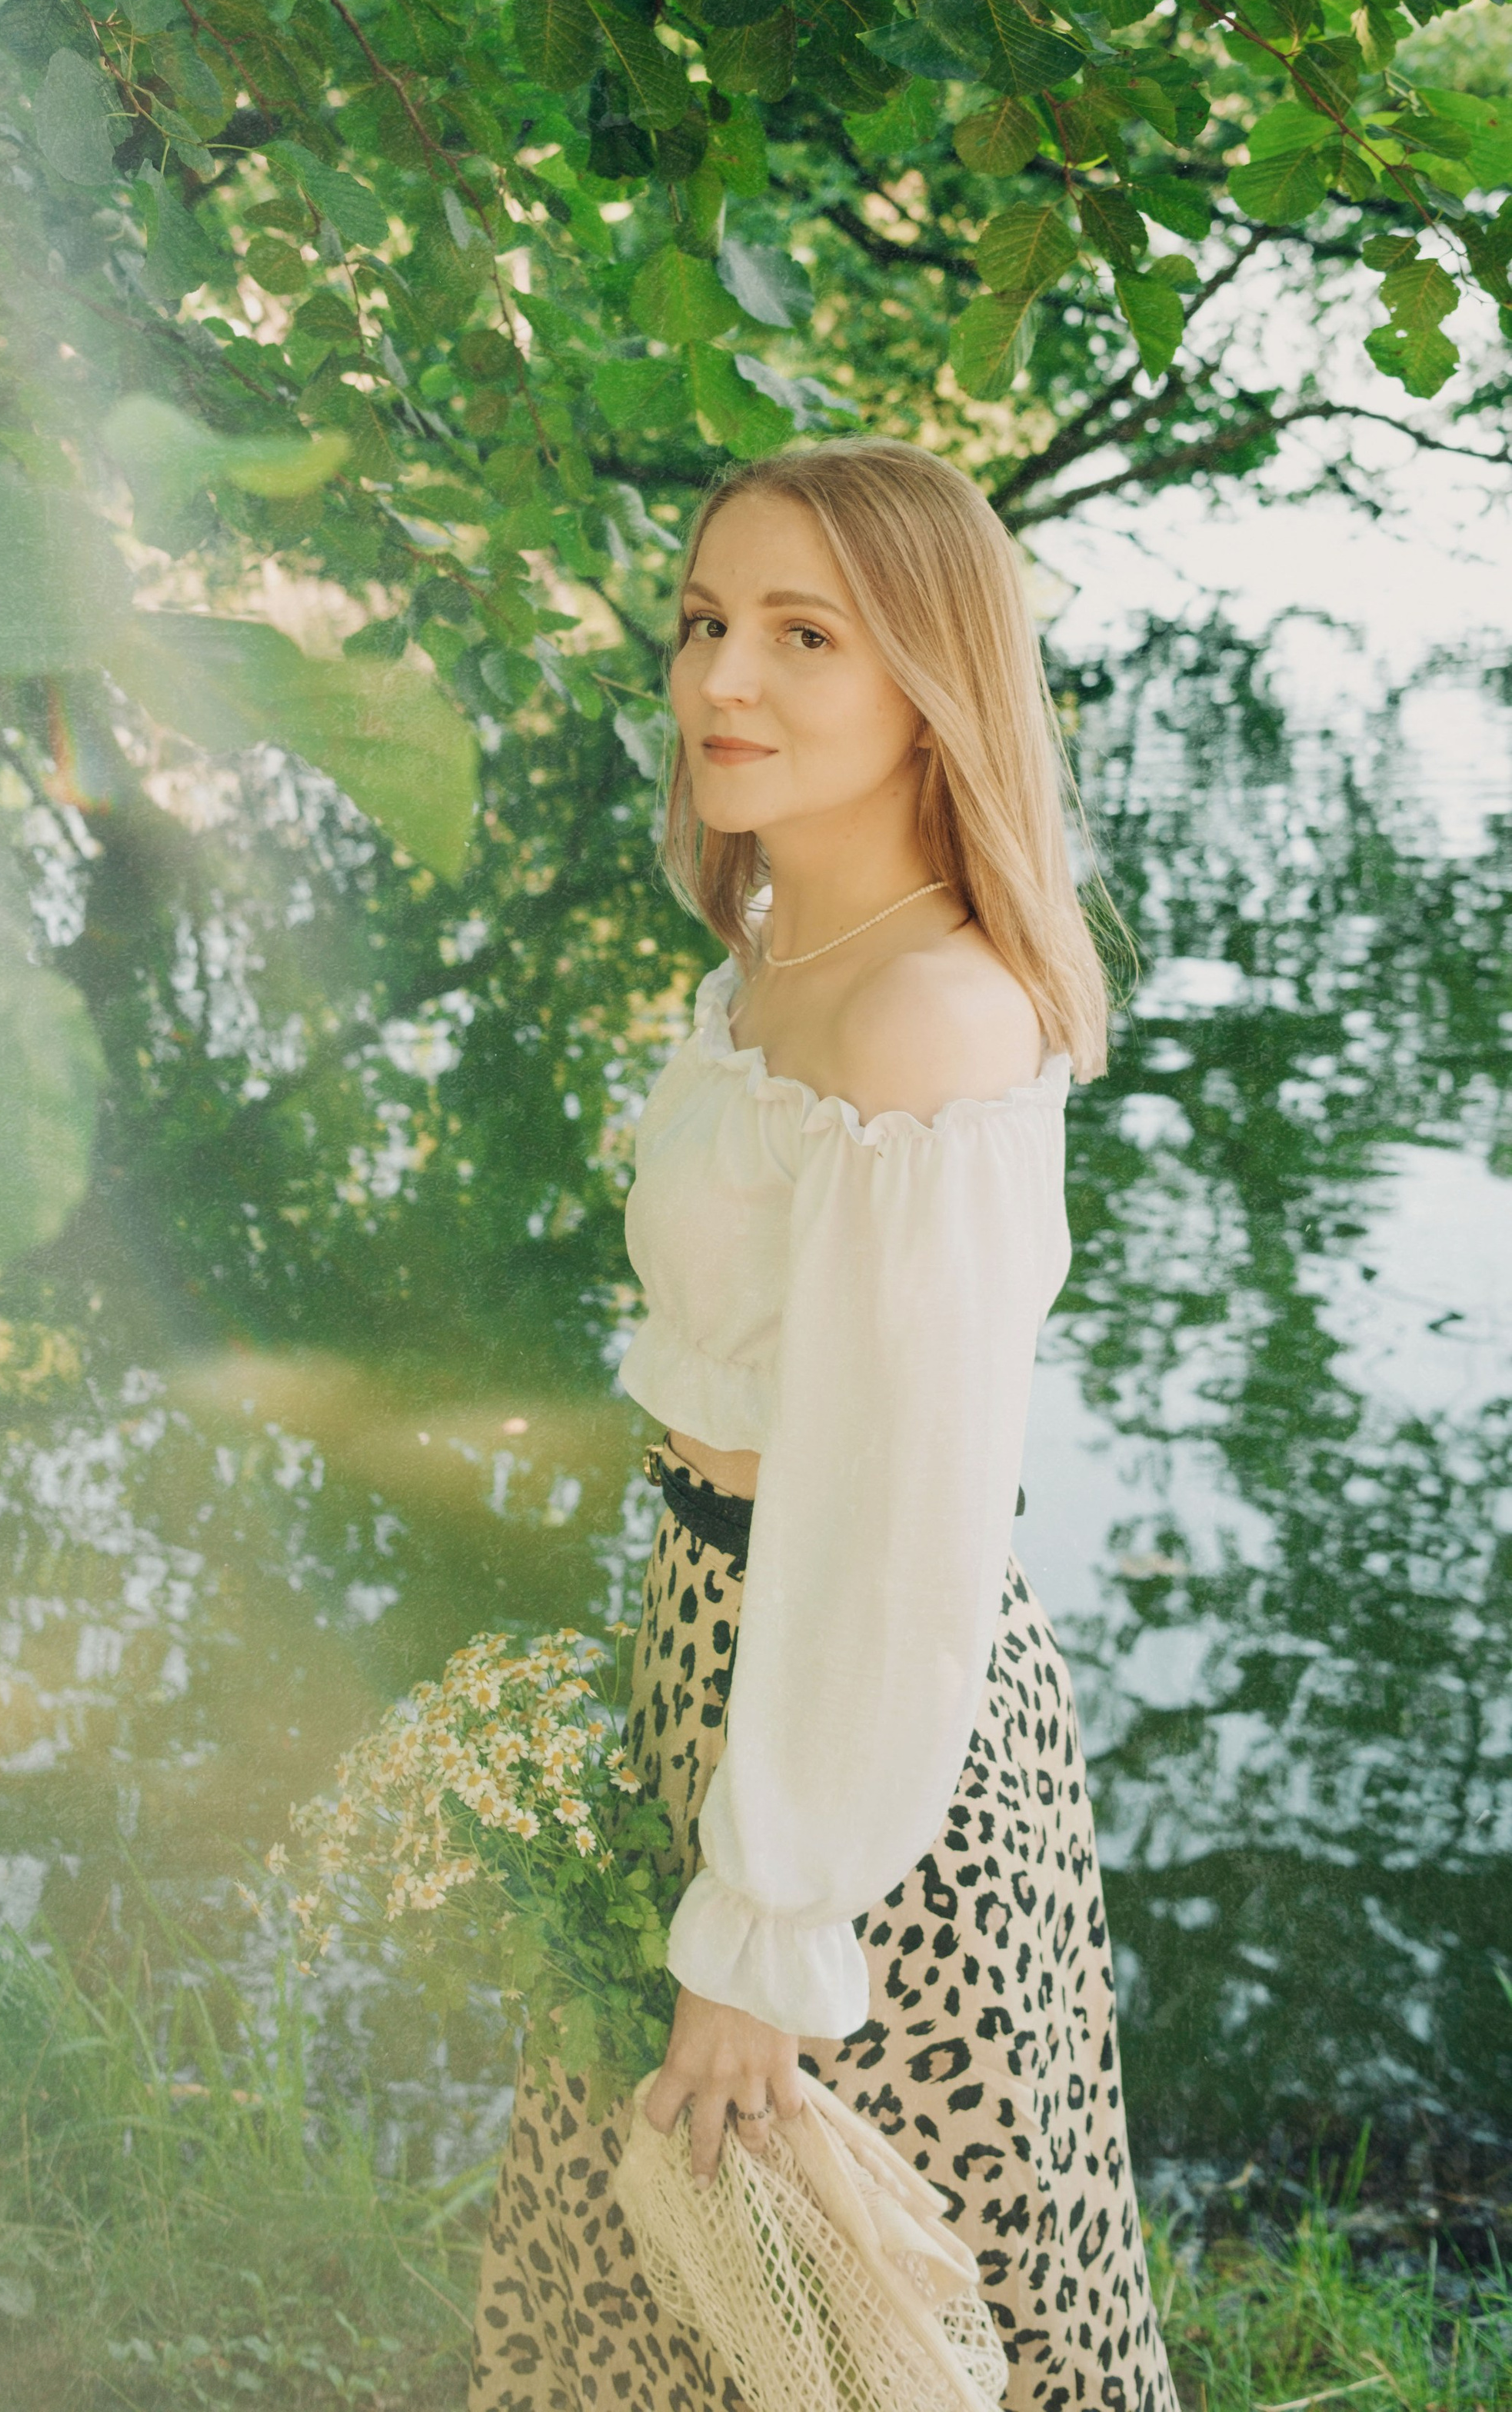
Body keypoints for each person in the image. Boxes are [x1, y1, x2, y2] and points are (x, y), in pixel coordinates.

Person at [469, 442, 1179, 2412]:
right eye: (704, 623)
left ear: (929, 685)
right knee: (669, 2267)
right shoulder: (781, 951)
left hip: (860, 1742)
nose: (720, 683)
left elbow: (893, 1531)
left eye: (800, 636)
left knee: (856, 2296)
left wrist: (769, 1924)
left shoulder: (922, 1026)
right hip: (714, 1647)